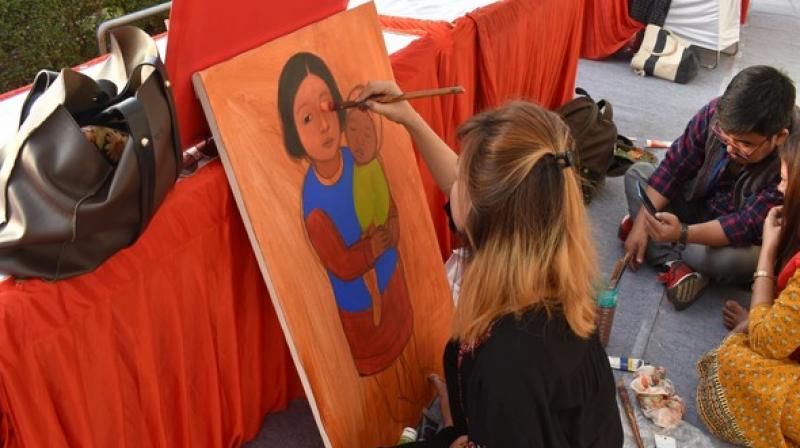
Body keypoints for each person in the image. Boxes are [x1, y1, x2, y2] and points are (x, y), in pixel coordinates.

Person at [359, 82, 623, 447]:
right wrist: (410, 120)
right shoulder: (542, 262)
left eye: (463, 177)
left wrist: (467, 433)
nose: (454, 183)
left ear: (486, 213)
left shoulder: (508, 364)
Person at [277, 52, 412, 376]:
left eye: (326, 107)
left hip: (394, 289)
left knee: (413, 365)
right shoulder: (314, 202)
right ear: (294, 132)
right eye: (307, 118)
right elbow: (339, 262)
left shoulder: (361, 158)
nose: (324, 124)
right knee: (382, 391)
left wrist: (390, 231)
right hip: (362, 315)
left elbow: (388, 204)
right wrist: (372, 249)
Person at [621, 65, 797, 310]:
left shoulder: (793, 159)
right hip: (700, 205)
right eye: (726, 137)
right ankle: (675, 261)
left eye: (745, 144)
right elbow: (674, 167)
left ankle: (667, 251)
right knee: (638, 174)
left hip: (743, 240)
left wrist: (681, 233)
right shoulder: (717, 114)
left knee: (718, 260)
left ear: (779, 137)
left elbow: (744, 225)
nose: (730, 149)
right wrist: (643, 221)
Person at [696, 132, 800, 448]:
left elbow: (767, 343)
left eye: (785, 181)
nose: (780, 190)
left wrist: (768, 250)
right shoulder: (709, 121)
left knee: (734, 360)